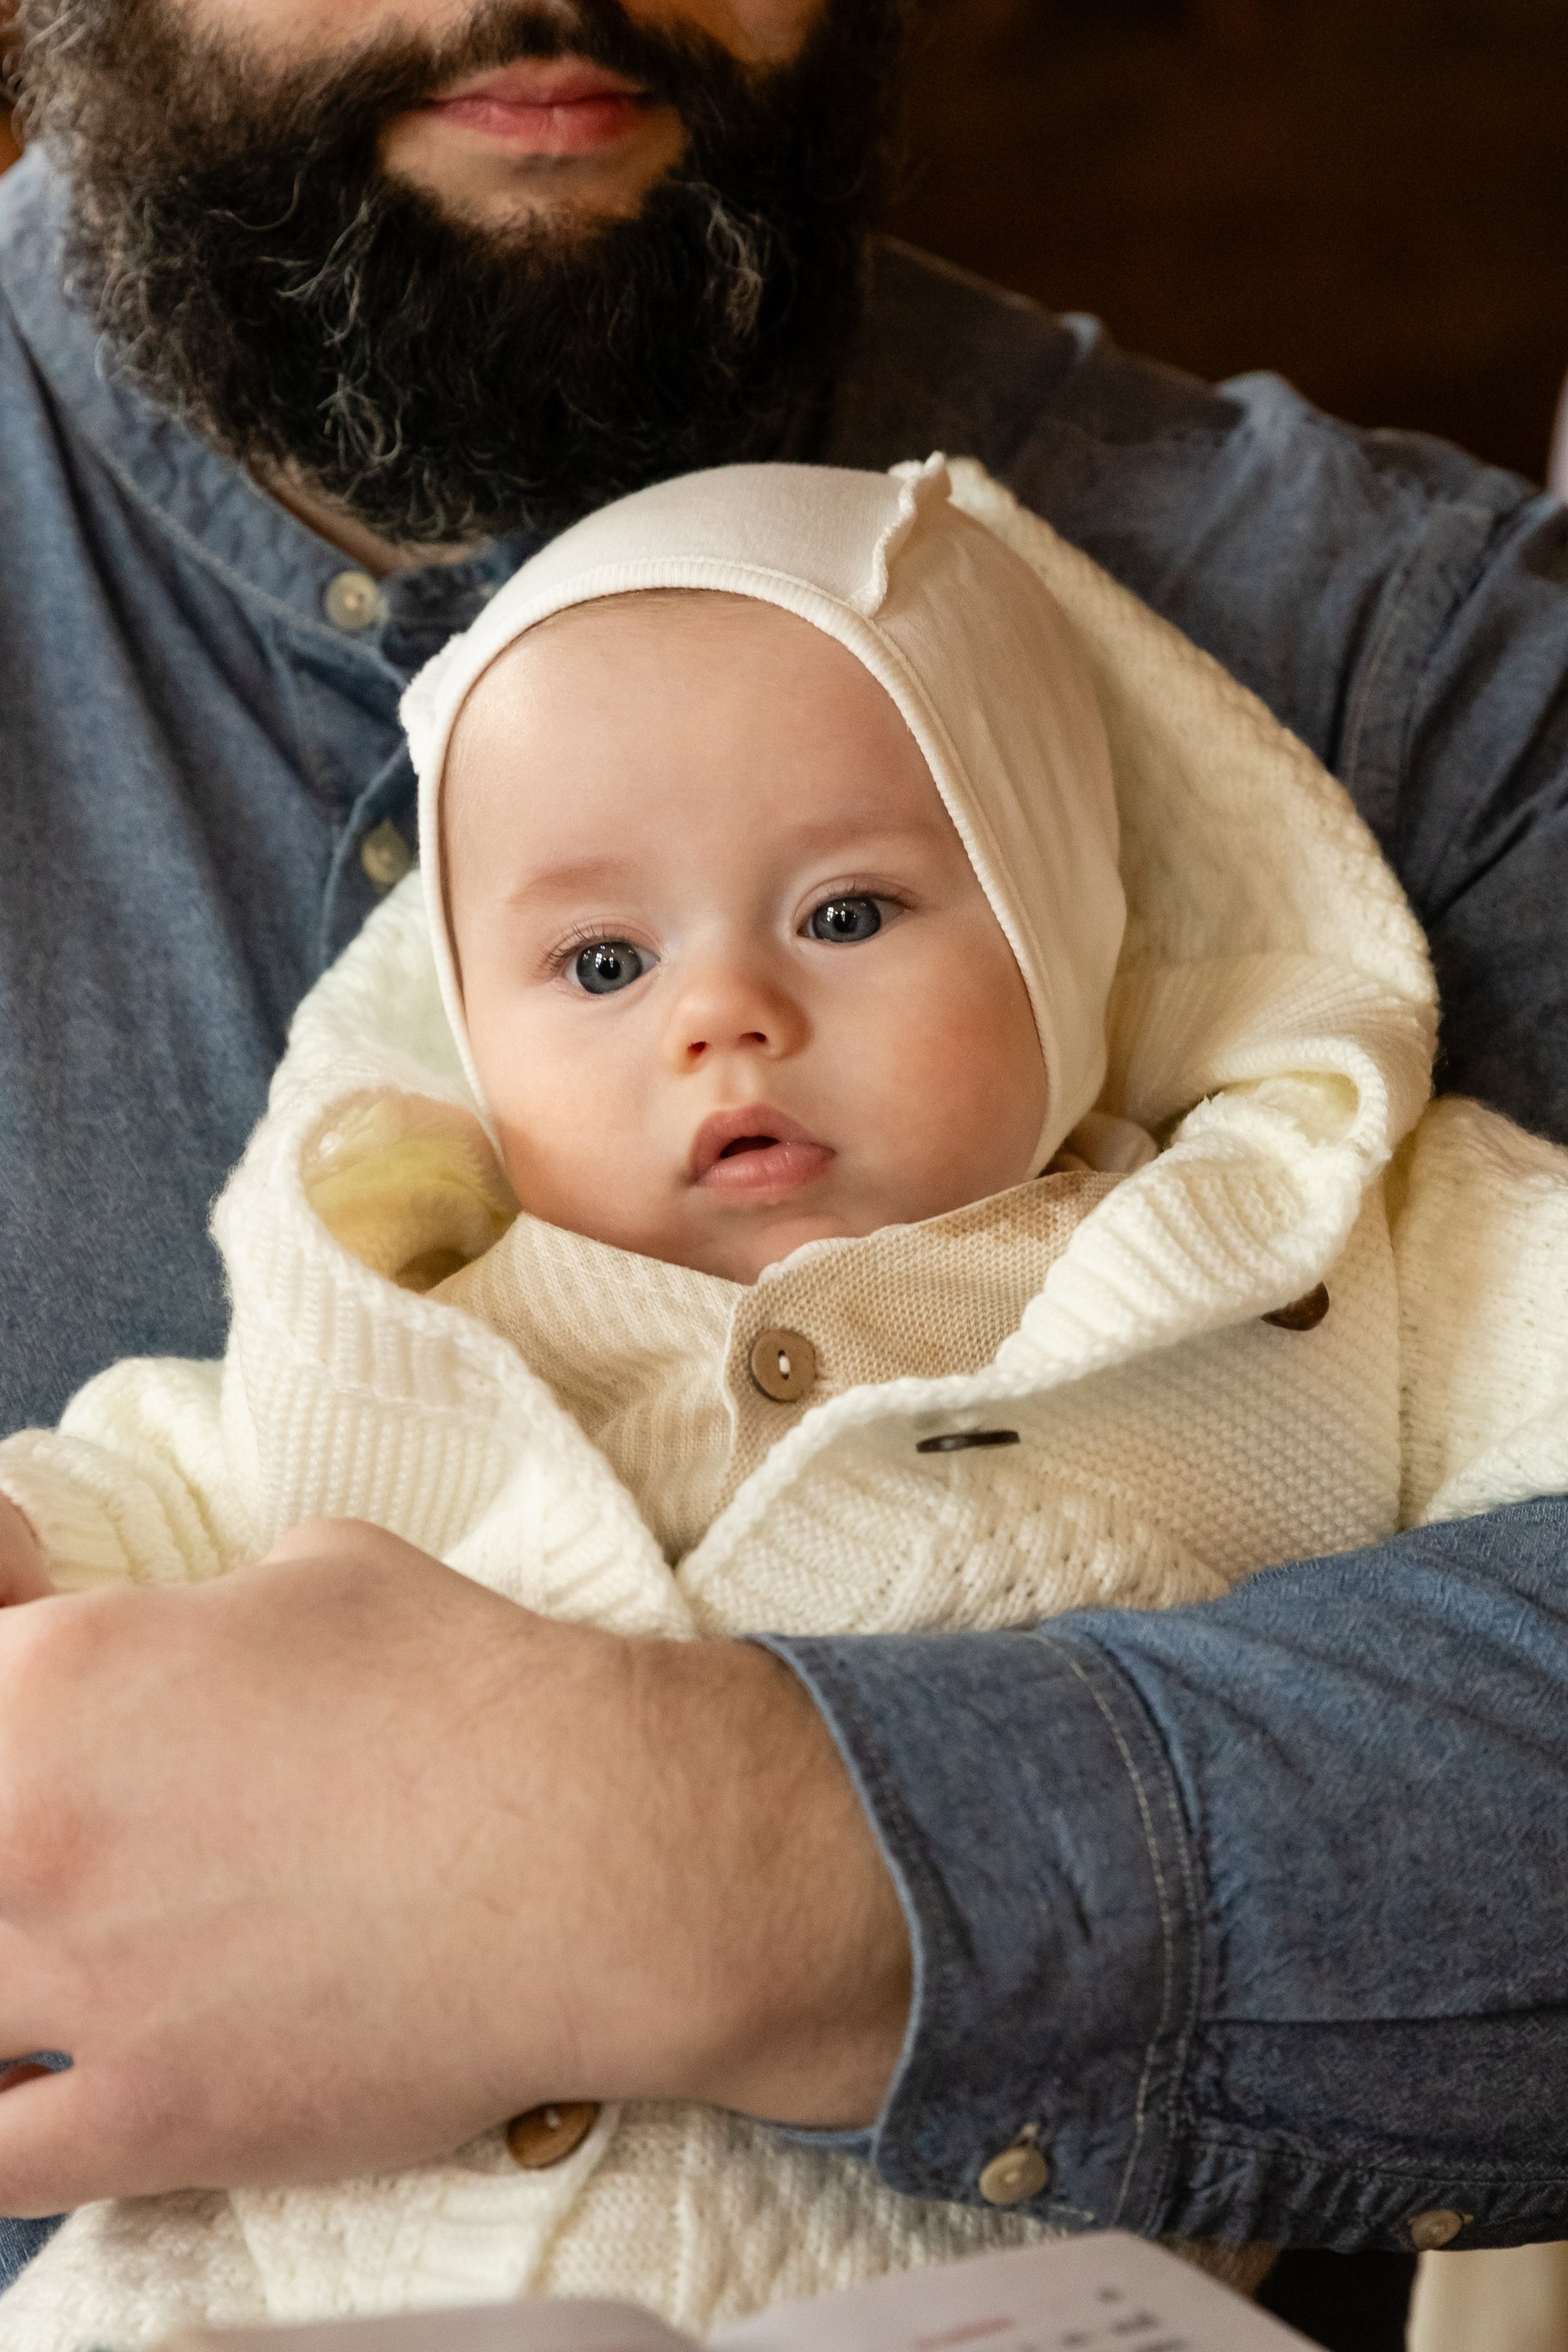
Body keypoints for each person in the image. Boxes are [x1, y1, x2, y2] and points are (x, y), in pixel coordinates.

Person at [2, 0, 1568, 2324]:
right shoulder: (373, 1299)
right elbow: (150, 1486)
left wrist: (722, 1858)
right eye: (598, 958)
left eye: (854, 912)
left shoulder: (1405, 672)